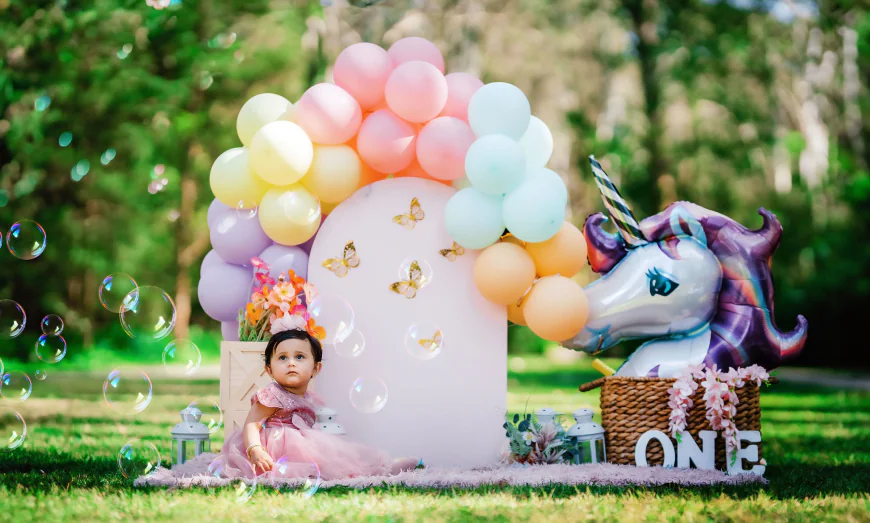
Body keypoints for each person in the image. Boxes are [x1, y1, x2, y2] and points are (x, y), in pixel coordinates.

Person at [220, 315, 423, 480]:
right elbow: (252, 423)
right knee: (323, 461)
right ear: (269, 370)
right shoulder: (271, 394)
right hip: (274, 448)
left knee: (341, 453)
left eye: (299, 357)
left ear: (315, 368)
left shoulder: (309, 397)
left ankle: (381, 467)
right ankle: (370, 470)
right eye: (282, 357)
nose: (291, 363)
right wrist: (255, 449)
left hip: (302, 445)